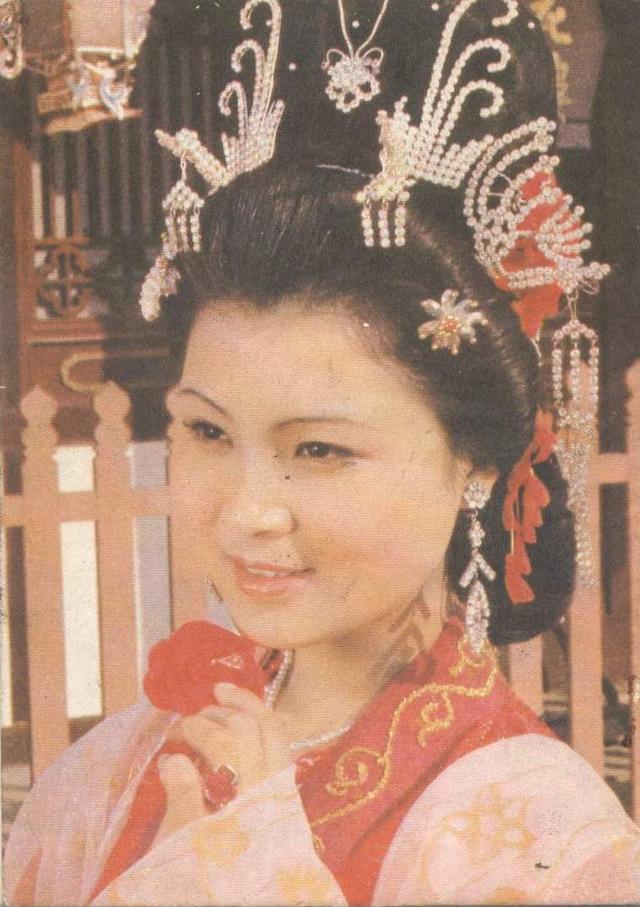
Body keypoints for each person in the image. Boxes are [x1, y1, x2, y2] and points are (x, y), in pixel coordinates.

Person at [5, 0, 640, 904]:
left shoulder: (544, 834)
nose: (248, 511)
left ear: (473, 459)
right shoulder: (115, 766)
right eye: (208, 431)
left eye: (319, 448)